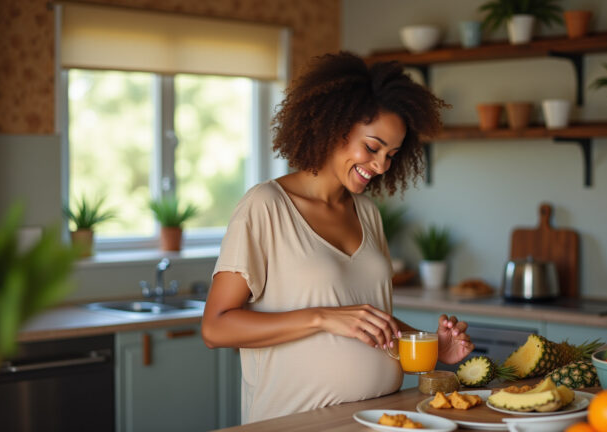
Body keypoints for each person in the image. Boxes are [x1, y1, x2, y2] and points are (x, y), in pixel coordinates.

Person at [201, 51, 475, 423]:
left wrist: (432, 345)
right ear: (335, 127)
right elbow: (215, 328)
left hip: (381, 417)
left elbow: (368, 322)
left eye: (392, 154)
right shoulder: (265, 206)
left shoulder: (367, 213)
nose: (381, 165)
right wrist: (321, 318)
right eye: (373, 147)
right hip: (294, 423)